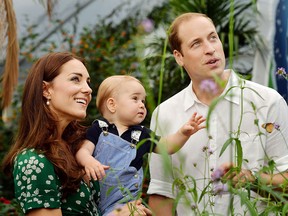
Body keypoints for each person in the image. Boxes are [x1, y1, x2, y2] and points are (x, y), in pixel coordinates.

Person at [147, 12, 288, 215]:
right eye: (196, 43)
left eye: (213, 37)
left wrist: (254, 180)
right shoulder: (165, 113)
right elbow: (162, 193)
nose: (210, 49)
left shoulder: (267, 101)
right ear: (179, 57)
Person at [1, 52, 152, 216]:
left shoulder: (80, 148)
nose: (88, 89)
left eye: (88, 82)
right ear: (46, 90)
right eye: (75, 79)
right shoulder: (33, 160)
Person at [75, 75, 206, 215]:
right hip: (93, 197)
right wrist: (88, 161)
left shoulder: (142, 134)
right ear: (112, 104)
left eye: (143, 100)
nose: (142, 104)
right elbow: (82, 151)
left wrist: (182, 133)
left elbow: (167, 147)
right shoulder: (99, 128)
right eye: (135, 99)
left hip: (124, 202)